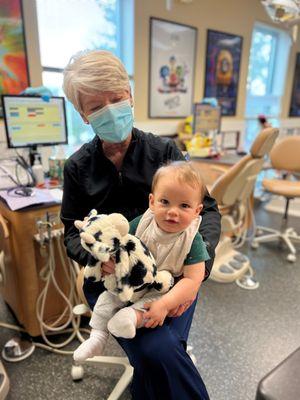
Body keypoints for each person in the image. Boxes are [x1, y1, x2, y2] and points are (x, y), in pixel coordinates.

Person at [61, 49, 221, 399]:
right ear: (83, 115)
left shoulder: (163, 152)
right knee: (157, 352)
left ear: (130, 96)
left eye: (116, 99)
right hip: (110, 280)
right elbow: (71, 233)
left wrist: (198, 268)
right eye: (96, 107)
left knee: (156, 352)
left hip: (172, 276)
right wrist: (95, 258)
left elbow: (206, 210)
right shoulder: (77, 168)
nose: (109, 111)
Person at [73, 161, 210, 363]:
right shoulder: (143, 222)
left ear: (197, 211)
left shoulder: (191, 239)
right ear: (152, 202)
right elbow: (120, 240)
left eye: (184, 206)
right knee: (106, 300)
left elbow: (192, 280)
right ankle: (97, 337)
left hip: (159, 289)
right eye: (165, 202)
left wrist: (165, 304)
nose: (173, 211)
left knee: (147, 310)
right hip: (130, 279)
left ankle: (130, 319)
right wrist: (102, 247)